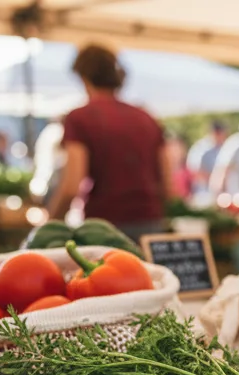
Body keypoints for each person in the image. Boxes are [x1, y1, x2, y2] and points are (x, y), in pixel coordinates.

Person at [46, 44, 170, 240]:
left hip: (103, 228)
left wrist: (49, 228)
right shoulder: (147, 118)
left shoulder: (80, 118)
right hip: (150, 223)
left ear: (84, 77)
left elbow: (71, 187)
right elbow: (170, 186)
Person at [185, 120, 227, 195]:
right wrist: (215, 180)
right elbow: (195, 171)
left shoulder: (223, 147)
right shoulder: (201, 148)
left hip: (222, 191)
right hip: (204, 191)